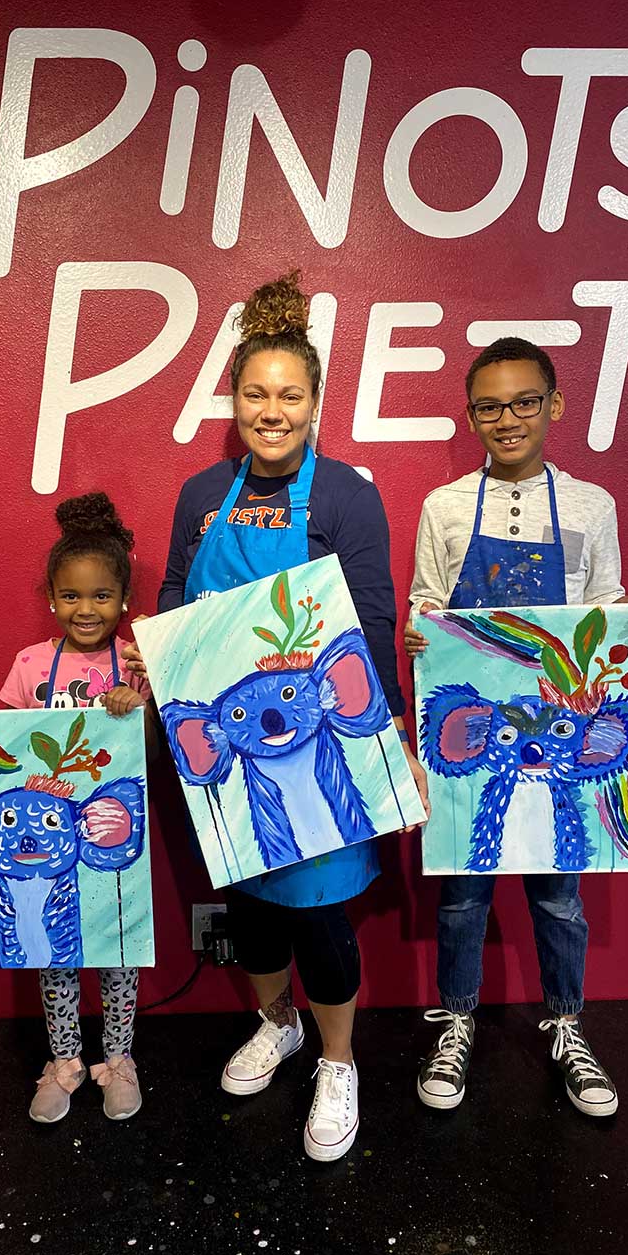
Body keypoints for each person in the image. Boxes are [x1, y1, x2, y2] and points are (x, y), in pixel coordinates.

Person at [125, 271, 429, 1162]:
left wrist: (393, 736)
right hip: (229, 754)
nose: (272, 411)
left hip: (319, 749)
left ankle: (338, 1062)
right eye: (256, 393)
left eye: (290, 395)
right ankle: (278, 1023)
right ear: (234, 401)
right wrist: (160, 656)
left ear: (315, 403)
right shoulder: (200, 494)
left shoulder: (345, 497)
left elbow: (372, 617)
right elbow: (175, 594)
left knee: (318, 914)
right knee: (249, 906)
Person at [405, 336, 628, 1119]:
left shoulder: (591, 506)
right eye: (489, 407)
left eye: (523, 402)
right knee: (462, 897)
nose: (507, 419)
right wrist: (418, 629)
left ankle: (567, 1024)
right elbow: (425, 600)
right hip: (482, 735)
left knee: (559, 900)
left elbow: (606, 603)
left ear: (554, 405)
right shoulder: (446, 507)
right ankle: (456, 1020)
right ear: (471, 416)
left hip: (559, 740)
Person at [0, 492, 156, 1124]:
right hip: (37, 846)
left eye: (101, 596)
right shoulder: (31, 663)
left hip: (104, 836)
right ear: (52, 599)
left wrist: (139, 707)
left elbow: (155, 752)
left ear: (124, 601)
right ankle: (64, 1062)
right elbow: (6, 750)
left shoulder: (137, 662)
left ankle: (117, 1059)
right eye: (70, 596)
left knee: (117, 948)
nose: (86, 609)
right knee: (51, 953)